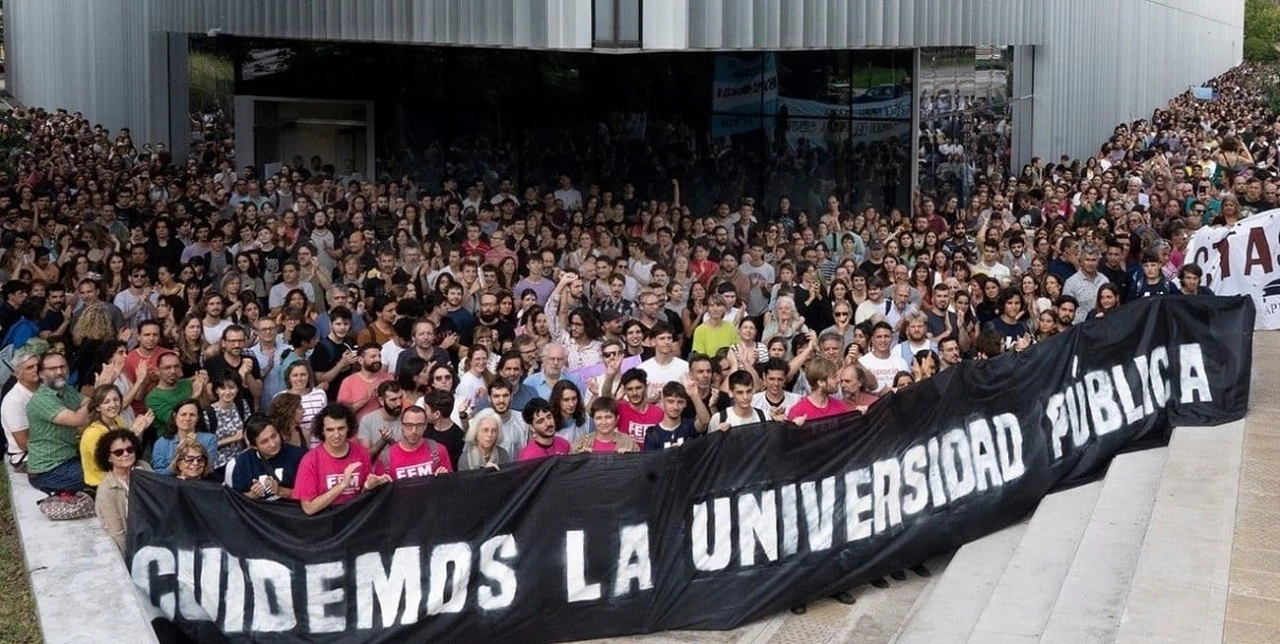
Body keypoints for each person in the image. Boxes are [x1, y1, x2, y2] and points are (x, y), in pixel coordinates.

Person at [26, 350, 115, 492]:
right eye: (53, 368)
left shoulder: (67, 390)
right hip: (48, 470)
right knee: (108, 477)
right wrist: (99, 390)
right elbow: (78, 419)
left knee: (113, 466)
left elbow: (90, 404)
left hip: (70, 459)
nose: (59, 371)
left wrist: (101, 392)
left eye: (63, 367)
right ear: (41, 374)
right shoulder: (41, 399)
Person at [294, 404, 390, 514]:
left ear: (348, 427)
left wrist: (368, 487)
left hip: (355, 522)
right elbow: (308, 508)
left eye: (341, 428)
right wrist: (342, 485)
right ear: (322, 431)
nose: (336, 435)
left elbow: (361, 495)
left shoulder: (361, 453)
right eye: (330, 430)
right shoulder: (310, 460)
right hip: (326, 523)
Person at [79, 384, 153, 488]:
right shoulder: (93, 432)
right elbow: (108, 463)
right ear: (98, 407)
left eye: (116, 400)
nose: (113, 404)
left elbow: (131, 451)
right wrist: (132, 435)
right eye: (106, 402)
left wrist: (140, 432)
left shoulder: (118, 420)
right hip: (101, 483)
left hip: (121, 474)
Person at [93, 429, 150, 551]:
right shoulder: (106, 490)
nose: (126, 454)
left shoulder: (144, 468)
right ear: (109, 457)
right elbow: (117, 533)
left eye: (130, 449)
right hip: (134, 546)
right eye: (119, 452)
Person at [229, 414, 306, 501]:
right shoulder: (243, 462)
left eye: (274, 436)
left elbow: (307, 494)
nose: (272, 444)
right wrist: (253, 495)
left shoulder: (298, 456)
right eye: (264, 441)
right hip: (256, 513)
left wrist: (280, 491)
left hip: (290, 511)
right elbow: (236, 499)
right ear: (254, 446)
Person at [379, 405, 453, 480]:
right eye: (409, 425)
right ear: (401, 425)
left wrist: (445, 478)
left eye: (419, 425)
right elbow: (381, 488)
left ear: (425, 426)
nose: (414, 431)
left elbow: (451, 486)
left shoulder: (438, 450)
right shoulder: (386, 457)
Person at [1, 343, 42, 472]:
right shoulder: (14, 400)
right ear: (17, 374)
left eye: (38, 366)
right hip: (26, 458)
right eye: (30, 367)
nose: (36, 369)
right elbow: (24, 443)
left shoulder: (44, 389)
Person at [151, 398, 218, 474]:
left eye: (192, 415)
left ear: (198, 418)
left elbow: (209, 469)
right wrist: (180, 453)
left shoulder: (209, 439)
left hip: (198, 483)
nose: (187, 418)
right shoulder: (162, 442)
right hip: (169, 483)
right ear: (175, 416)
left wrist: (195, 448)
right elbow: (158, 474)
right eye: (183, 414)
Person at [787, 358, 851, 425]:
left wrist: (861, 413)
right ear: (820, 382)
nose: (838, 381)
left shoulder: (840, 407)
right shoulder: (798, 411)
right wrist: (795, 426)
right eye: (834, 377)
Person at [357, 381, 405, 466]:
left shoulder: (408, 417)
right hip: (376, 473)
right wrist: (382, 441)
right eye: (393, 400)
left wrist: (391, 441)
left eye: (400, 397)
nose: (399, 403)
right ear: (381, 401)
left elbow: (410, 454)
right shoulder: (367, 420)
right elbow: (365, 457)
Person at [644, 381, 701, 451]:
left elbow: (704, 422)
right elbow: (649, 460)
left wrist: (695, 396)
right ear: (662, 401)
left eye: (680, 402)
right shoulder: (653, 434)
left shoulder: (689, 426)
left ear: (685, 404)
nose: (675, 407)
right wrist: (669, 452)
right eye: (671, 402)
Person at [571, 396, 640, 454]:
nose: (603, 422)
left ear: (617, 418)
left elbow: (640, 467)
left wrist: (631, 457)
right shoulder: (581, 443)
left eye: (608, 417)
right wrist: (579, 458)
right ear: (593, 420)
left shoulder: (629, 443)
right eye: (598, 418)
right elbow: (570, 467)